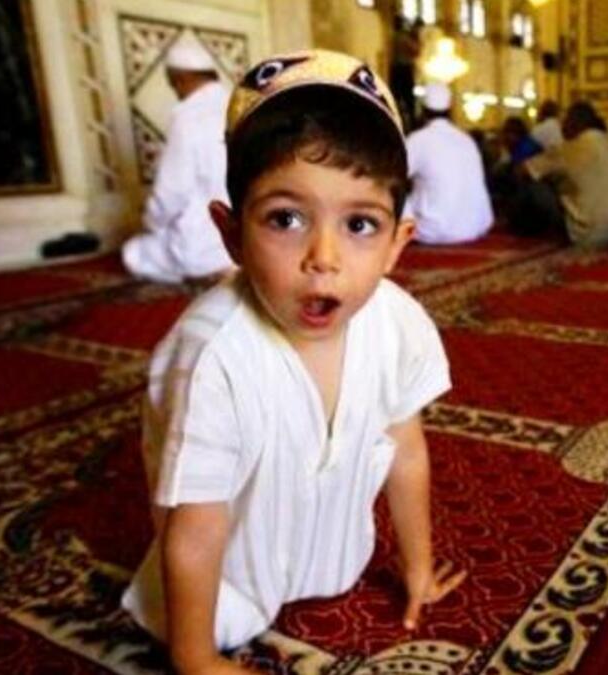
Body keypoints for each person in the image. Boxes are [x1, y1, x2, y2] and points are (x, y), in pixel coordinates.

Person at [120, 50, 466, 673]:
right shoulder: (212, 355)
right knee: (214, 621)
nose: (323, 257)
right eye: (286, 218)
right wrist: (197, 660)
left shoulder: (397, 322)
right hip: (233, 576)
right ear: (230, 235)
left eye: (360, 224)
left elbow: (406, 449)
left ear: (397, 244)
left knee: (336, 566)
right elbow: (196, 527)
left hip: (335, 555)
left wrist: (417, 566)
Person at [121, 38, 234, 283]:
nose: (177, 93)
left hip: (202, 249)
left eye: (174, 85)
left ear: (180, 80)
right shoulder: (239, 107)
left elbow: (171, 194)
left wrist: (150, 223)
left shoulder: (187, 118)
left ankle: (206, 272)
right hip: (244, 241)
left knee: (132, 252)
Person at [524, 101, 608, 247]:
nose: (562, 127)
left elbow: (524, 170)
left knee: (535, 186)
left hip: (589, 234)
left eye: (565, 121)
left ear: (575, 122)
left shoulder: (575, 146)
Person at [403, 83, 494, 244]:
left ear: (422, 111)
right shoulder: (466, 139)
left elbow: (393, 175)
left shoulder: (419, 139)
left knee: (387, 191)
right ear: (450, 110)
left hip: (435, 231)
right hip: (475, 227)